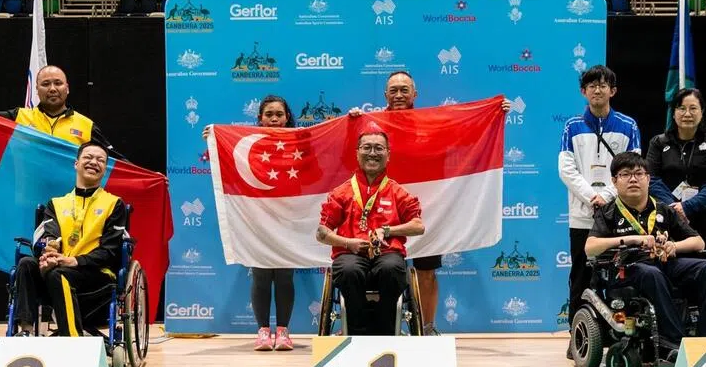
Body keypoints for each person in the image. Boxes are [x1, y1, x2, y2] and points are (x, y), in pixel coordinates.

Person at [349, 71, 510, 334]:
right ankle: (382, 327)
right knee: (380, 273)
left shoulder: (433, 123)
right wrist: (353, 120)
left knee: (426, 272)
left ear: (415, 94)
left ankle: (427, 327)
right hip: (380, 209)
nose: (399, 95)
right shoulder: (371, 125)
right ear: (384, 94)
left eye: (404, 89)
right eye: (393, 90)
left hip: (426, 209)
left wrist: (494, 113)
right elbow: (350, 144)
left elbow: (468, 132)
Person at [585, 151, 706, 359]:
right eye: (626, 174)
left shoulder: (664, 209)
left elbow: (698, 242)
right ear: (614, 181)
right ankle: (673, 344)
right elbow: (591, 247)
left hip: (666, 264)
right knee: (651, 273)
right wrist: (633, 239)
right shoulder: (608, 212)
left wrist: (674, 246)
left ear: (648, 179)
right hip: (628, 270)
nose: (633, 179)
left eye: (639, 174)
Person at [202, 95, 297, 352]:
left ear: (287, 117)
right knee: (262, 274)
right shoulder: (245, 144)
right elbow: (222, 162)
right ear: (260, 118)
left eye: (279, 114)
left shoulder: (301, 141)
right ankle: (263, 332)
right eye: (269, 114)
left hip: (288, 217)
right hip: (256, 217)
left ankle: (284, 332)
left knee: (285, 275)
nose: (275, 119)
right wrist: (213, 141)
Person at [558, 65, 641, 357]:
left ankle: (624, 337)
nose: (597, 89)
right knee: (580, 276)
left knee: (620, 275)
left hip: (617, 214)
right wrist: (590, 195)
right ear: (584, 91)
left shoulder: (628, 126)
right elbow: (566, 169)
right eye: (592, 85)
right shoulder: (571, 126)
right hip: (581, 215)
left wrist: (606, 195)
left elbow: (633, 167)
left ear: (613, 91)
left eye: (603, 85)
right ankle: (578, 337)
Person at [316, 127, 426, 335]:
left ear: (388, 155)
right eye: (367, 147)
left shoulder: (397, 191)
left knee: (392, 269)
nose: (373, 153)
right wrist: (348, 243)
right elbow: (322, 232)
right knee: (349, 270)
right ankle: (358, 332)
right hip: (350, 254)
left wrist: (388, 230)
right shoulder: (341, 192)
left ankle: (384, 330)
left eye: (379, 148)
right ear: (357, 153)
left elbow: (418, 226)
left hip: (387, 254)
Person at [12, 141, 128, 337]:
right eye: (88, 157)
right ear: (76, 164)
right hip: (57, 269)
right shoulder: (56, 204)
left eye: (100, 160)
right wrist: (48, 253)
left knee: (60, 274)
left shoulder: (114, 204)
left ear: (105, 169)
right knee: (25, 264)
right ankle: (26, 332)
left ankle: (73, 341)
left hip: (96, 274)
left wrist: (75, 261)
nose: (94, 162)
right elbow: (47, 235)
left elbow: (111, 250)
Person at [645, 88, 706, 261]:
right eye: (681, 108)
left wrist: (687, 206)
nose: (687, 113)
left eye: (693, 108)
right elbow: (651, 179)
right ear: (673, 113)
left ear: (702, 112)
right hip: (667, 217)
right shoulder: (659, 142)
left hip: (705, 216)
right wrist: (674, 208)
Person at [0, 65, 122, 158]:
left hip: (70, 193)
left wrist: (141, 180)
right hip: (27, 192)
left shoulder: (86, 125)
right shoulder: (19, 117)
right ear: (37, 90)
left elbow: (118, 161)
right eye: (45, 84)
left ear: (67, 89)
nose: (52, 89)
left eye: (58, 83)